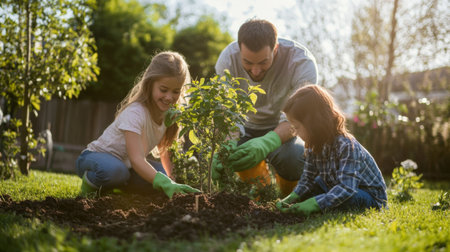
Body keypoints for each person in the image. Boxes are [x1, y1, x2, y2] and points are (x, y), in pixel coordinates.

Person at [213, 18, 318, 196]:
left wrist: (266, 142)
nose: (255, 71)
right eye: (247, 62)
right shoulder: (227, 60)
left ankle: (288, 195)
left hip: (283, 127)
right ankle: (262, 192)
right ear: (239, 50)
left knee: (293, 158)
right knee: (230, 156)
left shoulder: (301, 63)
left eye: (263, 62)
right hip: (244, 127)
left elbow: (298, 118)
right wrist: (229, 143)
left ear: (275, 48)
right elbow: (228, 111)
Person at [75, 51, 200, 198]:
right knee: (116, 172)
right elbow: (137, 159)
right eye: (163, 90)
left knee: (159, 176)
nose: (169, 97)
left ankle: (115, 190)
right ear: (150, 83)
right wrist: (165, 182)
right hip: (96, 159)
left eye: (176, 91)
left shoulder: (169, 115)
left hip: (127, 168)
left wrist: (170, 179)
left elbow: (164, 150)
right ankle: (90, 185)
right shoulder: (136, 112)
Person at [276, 84, 388, 216]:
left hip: (368, 197)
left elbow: (347, 188)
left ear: (313, 123)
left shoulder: (346, 145)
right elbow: (308, 179)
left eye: (297, 127)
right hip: (338, 188)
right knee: (312, 189)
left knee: (344, 198)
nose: (295, 133)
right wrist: (293, 197)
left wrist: (314, 203)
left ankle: (322, 204)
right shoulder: (313, 146)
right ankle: (322, 203)